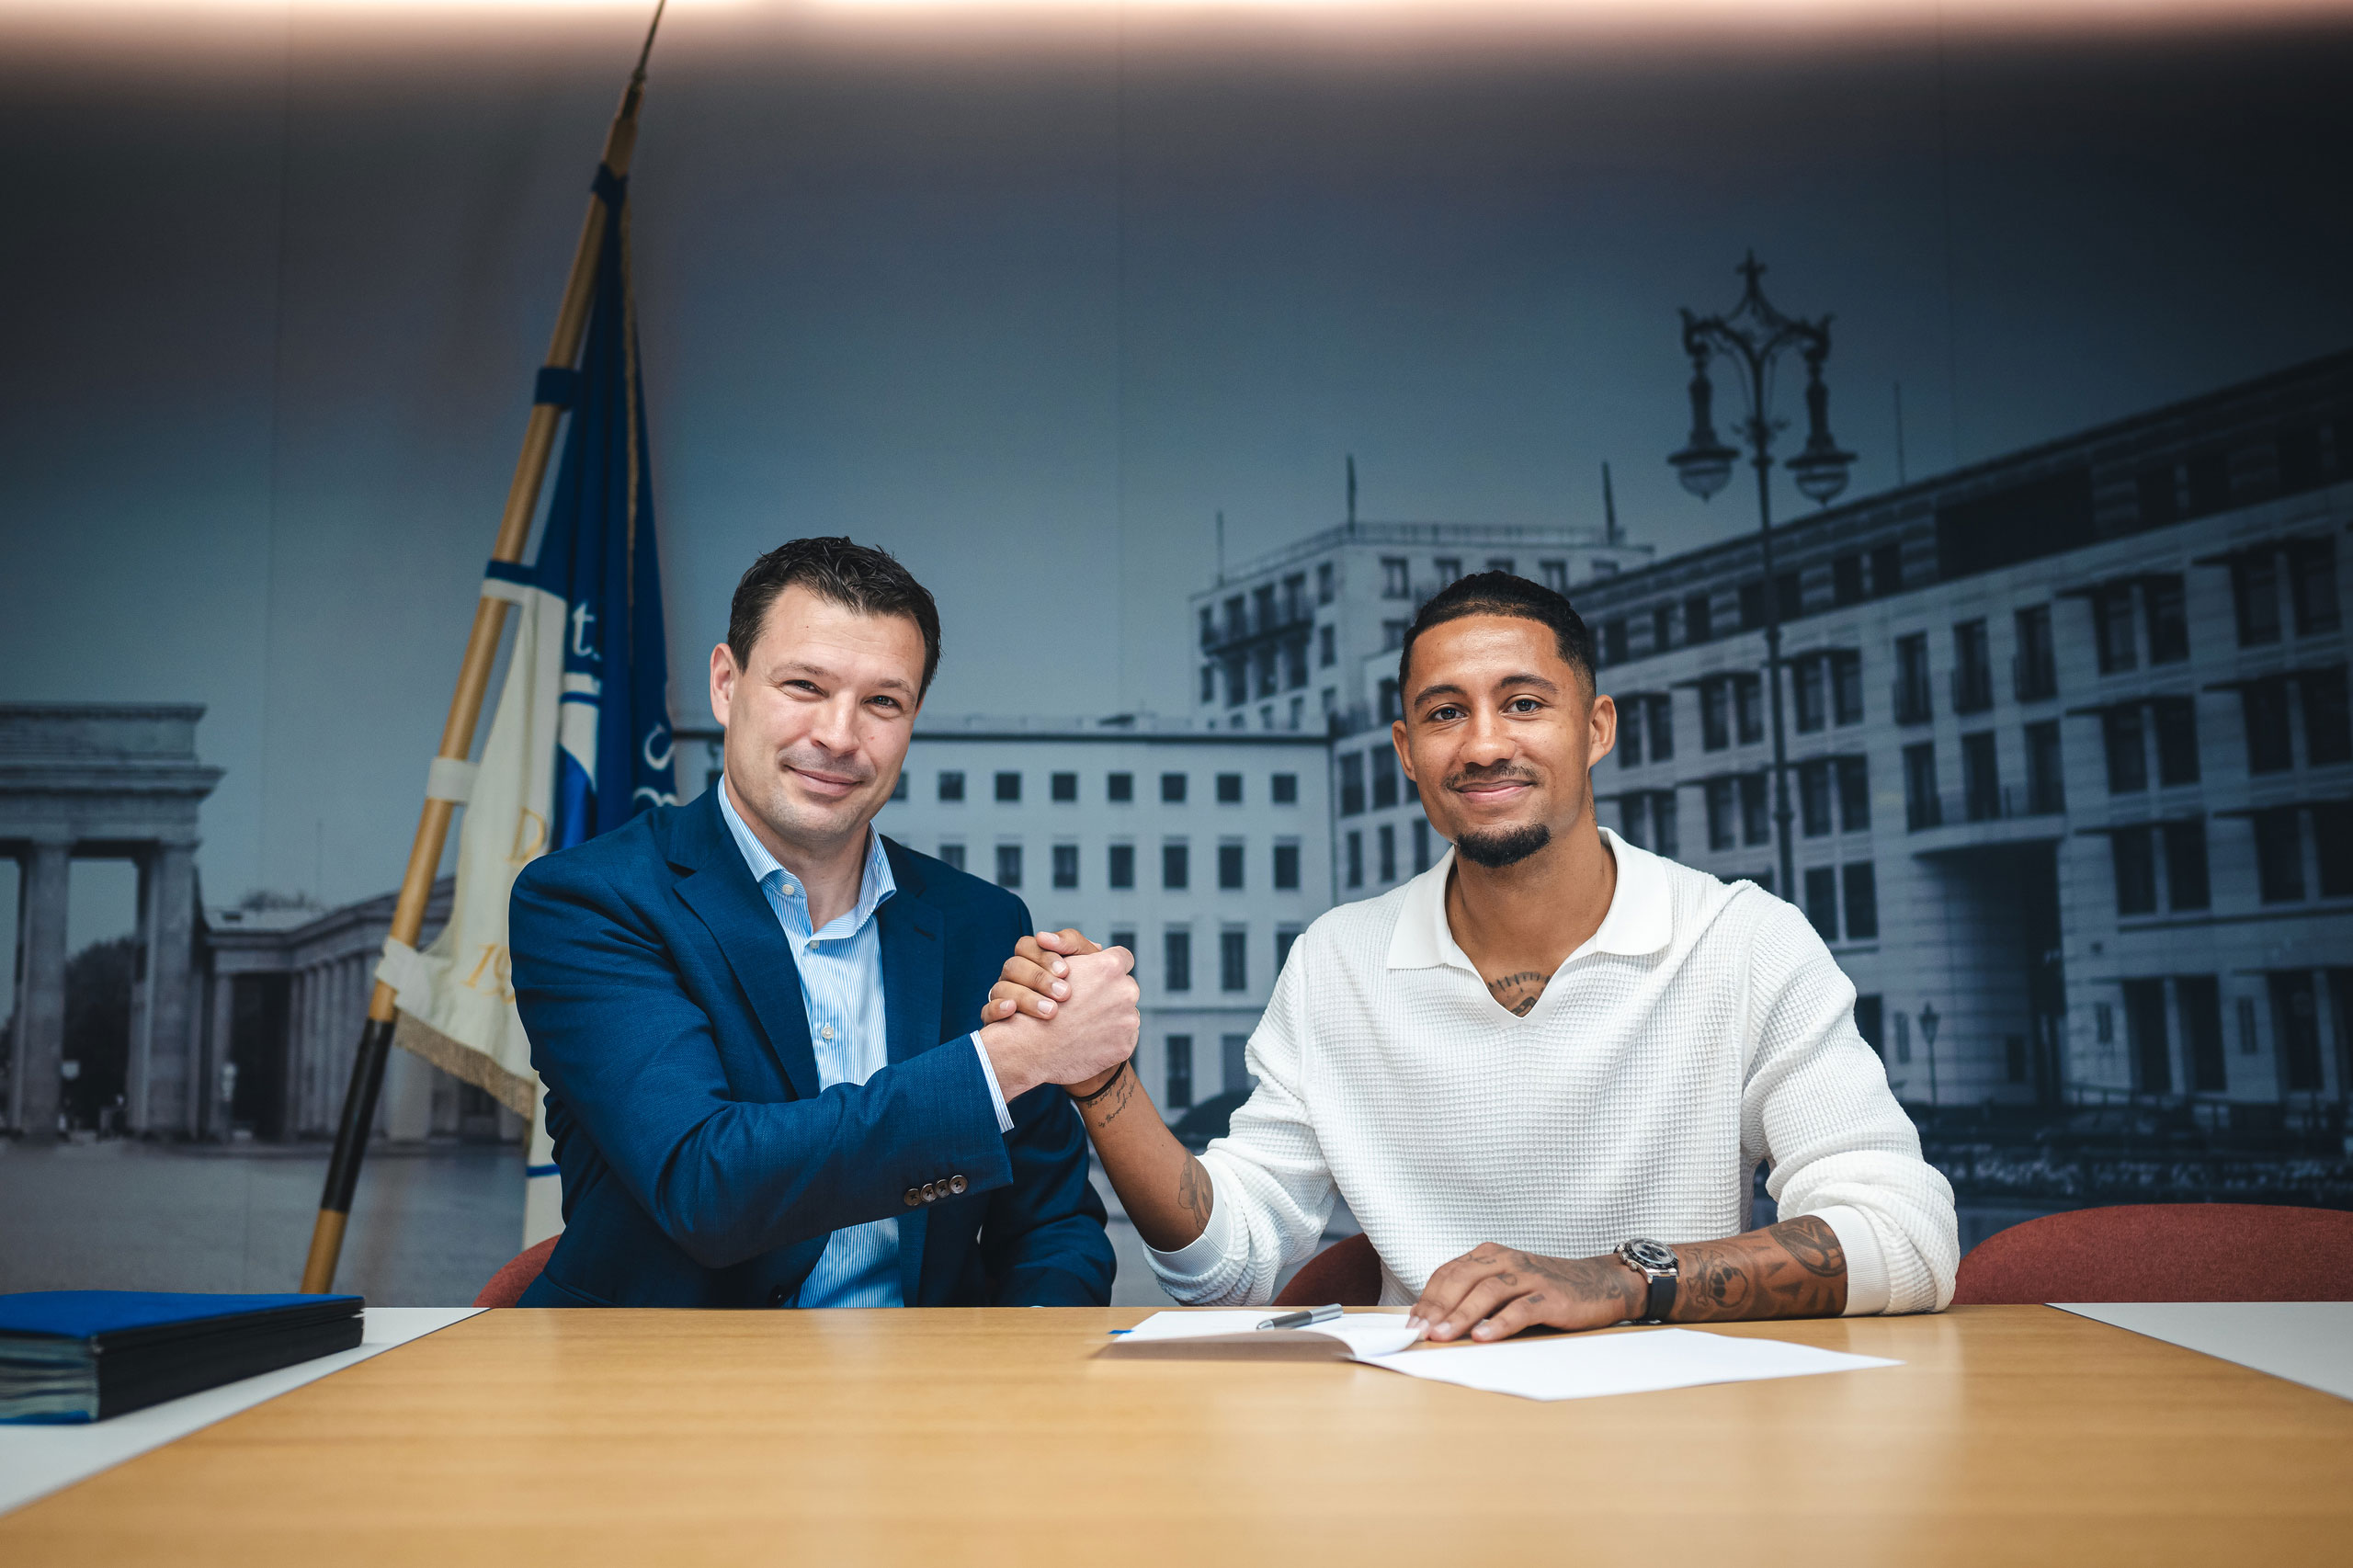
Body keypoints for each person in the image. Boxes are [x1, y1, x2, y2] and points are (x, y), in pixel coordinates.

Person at [990, 571, 1958, 1342]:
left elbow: (1906, 1237)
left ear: (1596, 727)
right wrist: (1104, 1082)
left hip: (1680, 1449)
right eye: (1446, 713)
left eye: (1524, 701)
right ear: (1407, 752)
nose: (1484, 742)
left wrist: (1613, 1280)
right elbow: (1229, 1266)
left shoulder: (1743, 939)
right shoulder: (1338, 961)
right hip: (1421, 1446)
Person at [508, 538, 1137, 1309]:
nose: (840, 737)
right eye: (804, 685)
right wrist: (1005, 1063)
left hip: (932, 1405)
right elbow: (706, 1184)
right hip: (666, 1402)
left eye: (883, 702)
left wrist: (1016, 1389)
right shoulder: (589, 901)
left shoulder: (983, 922)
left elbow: (1054, 1230)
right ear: (725, 684)